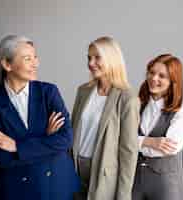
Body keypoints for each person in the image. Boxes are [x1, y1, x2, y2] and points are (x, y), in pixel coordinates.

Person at [0, 35, 80, 200]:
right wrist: (47, 139)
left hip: (56, 186)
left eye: (35, 57)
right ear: (7, 64)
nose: (35, 64)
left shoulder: (49, 92)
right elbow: (1, 159)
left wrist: (17, 146)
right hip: (16, 190)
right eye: (27, 59)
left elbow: (66, 139)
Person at [71, 36, 139, 200]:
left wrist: (124, 195)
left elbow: (128, 151)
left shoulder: (127, 98)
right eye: (89, 58)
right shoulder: (83, 91)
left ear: (112, 59)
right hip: (74, 169)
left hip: (103, 175)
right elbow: (73, 131)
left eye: (97, 57)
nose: (91, 63)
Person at [132, 54, 183, 200]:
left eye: (162, 76)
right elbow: (120, 139)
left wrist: (134, 142)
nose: (154, 78)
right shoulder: (137, 104)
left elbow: (170, 148)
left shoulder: (180, 111)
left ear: (173, 81)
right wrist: (150, 142)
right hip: (135, 181)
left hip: (166, 186)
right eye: (151, 72)